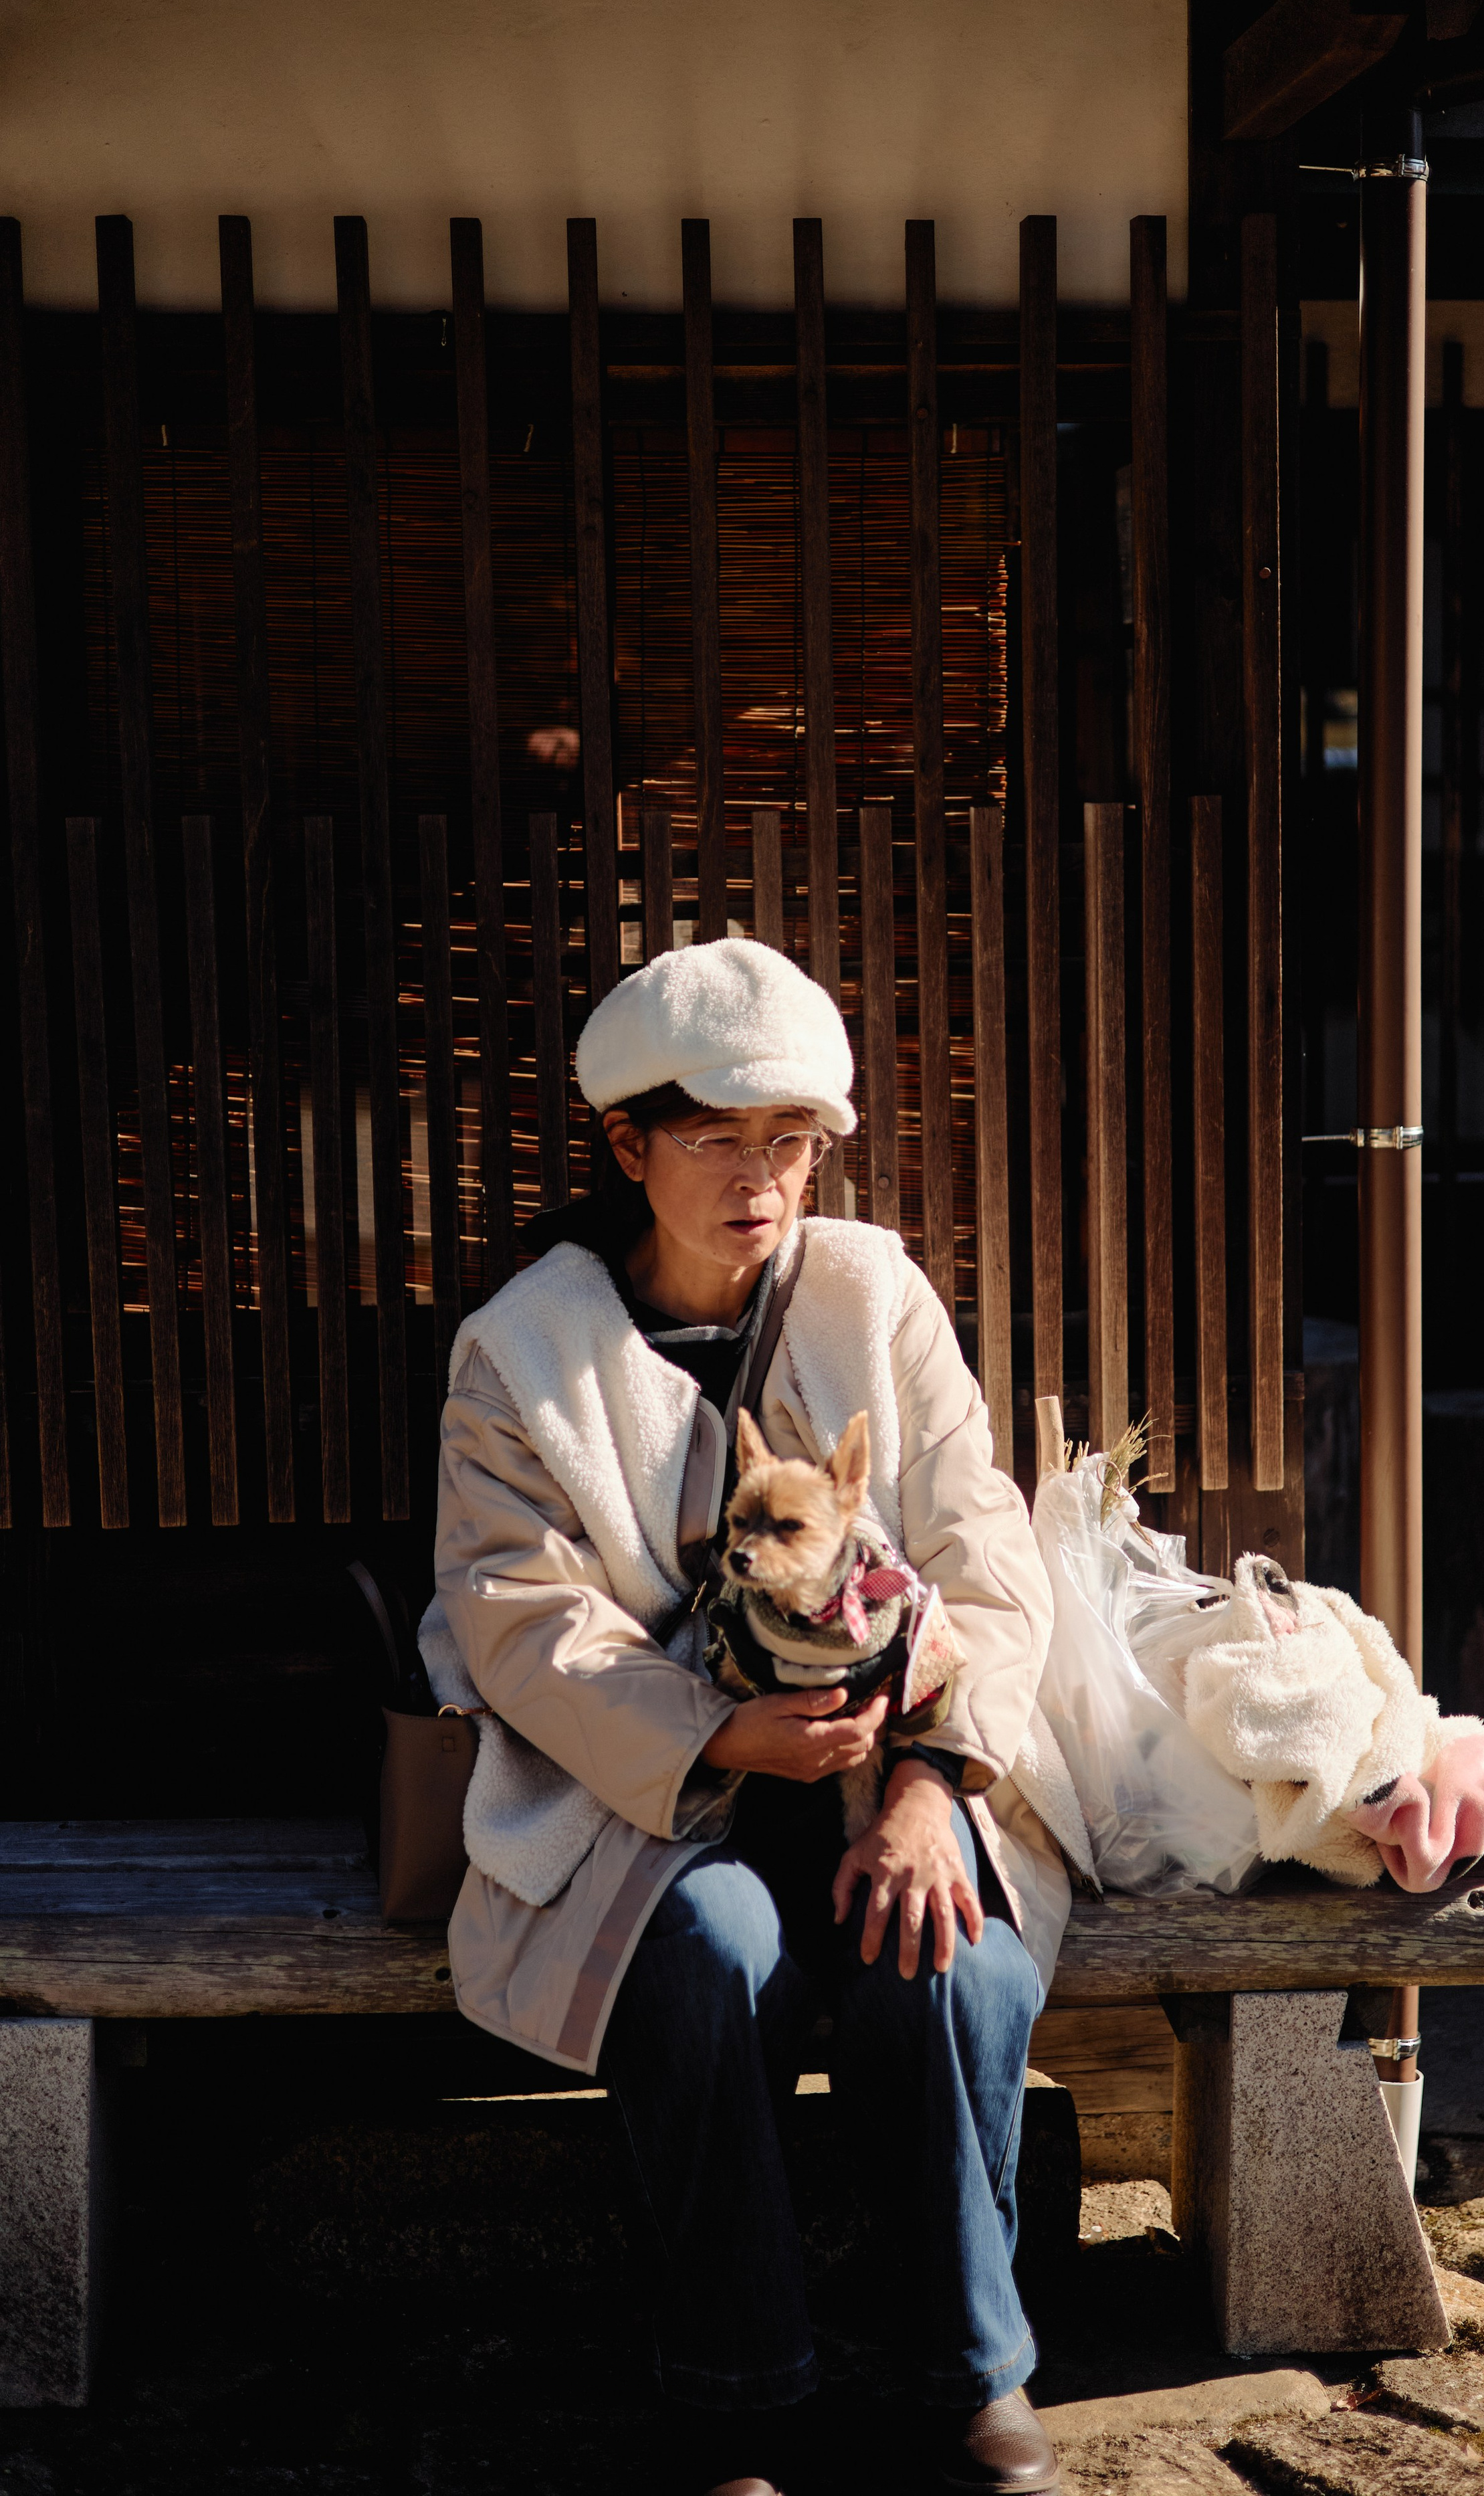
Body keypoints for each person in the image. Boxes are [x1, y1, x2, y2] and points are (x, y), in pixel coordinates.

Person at [417, 937, 1073, 2496]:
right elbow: (517, 1614)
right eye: (716, 1137)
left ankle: (964, 2372)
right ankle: (737, 2395)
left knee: (946, 1963)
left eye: (789, 1140)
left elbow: (984, 1551)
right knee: (709, 1955)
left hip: (886, 1768)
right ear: (627, 1144)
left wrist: (927, 1781)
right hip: (645, 1792)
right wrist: (716, 1735)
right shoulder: (523, 1351)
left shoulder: (873, 1296)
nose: (760, 1177)